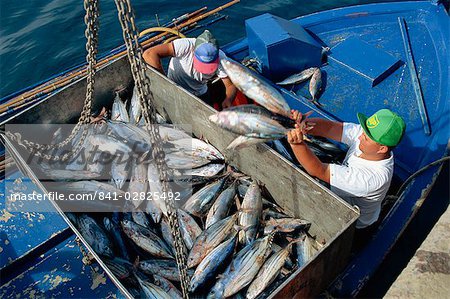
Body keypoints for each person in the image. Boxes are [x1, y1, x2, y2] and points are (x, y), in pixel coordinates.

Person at [287, 108, 406, 250]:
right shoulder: (368, 138)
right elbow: (332, 128)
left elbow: (318, 170)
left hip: (355, 224)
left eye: (366, 138)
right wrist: (303, 125)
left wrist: (296, 144)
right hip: (343, 196)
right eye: (364, 131)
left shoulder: (371, 179)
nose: (361, 136)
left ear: (382, 149)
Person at [143, 30, 237, 109]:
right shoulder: (185, 46)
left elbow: (230, 85)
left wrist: (228, 99)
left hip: (200, 95)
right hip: (174, 89)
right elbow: (149, 54)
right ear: (193, 51)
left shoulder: (222, 59)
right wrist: (165, 83)